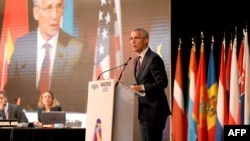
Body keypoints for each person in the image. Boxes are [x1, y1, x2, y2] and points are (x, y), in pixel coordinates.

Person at [4, 0, 92, 112]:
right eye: (49, 8)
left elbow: (82, 97)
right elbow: (10, 90)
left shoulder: (76, 49)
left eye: (59, 7)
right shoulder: (22, 45)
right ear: (36, 13)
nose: (55, 15)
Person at [129, 27, 171, 141]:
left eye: (136, 38)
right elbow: (144, 81)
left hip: (155, 110)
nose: (133, 41)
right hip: (143, 110)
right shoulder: (136, 60)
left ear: (146, 40)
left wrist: (141, 87)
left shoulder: (154, 58)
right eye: (131, 38)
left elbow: (162, 82)